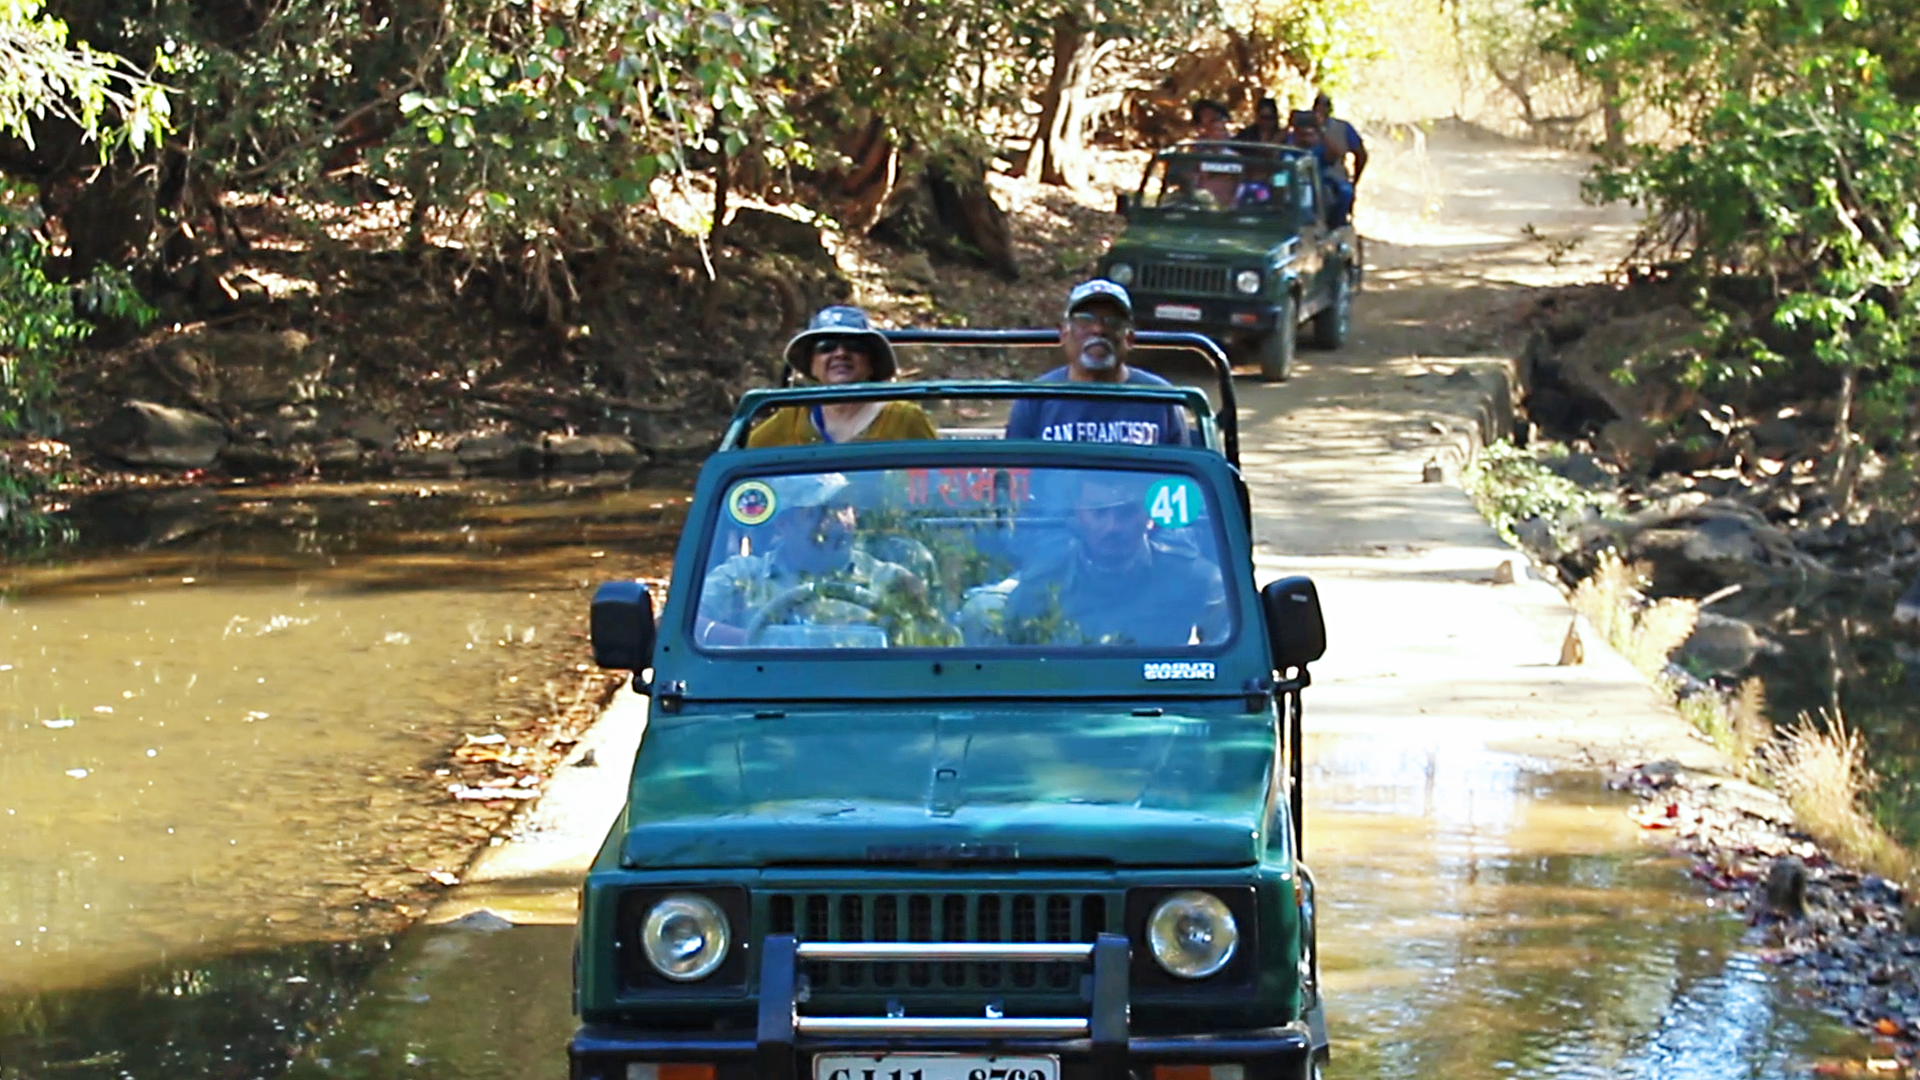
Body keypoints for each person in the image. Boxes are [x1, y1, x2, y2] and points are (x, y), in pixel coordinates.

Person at [696, 473, 952, 647]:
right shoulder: (744, 576)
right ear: (784, 524)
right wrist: (756, 642)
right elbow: (677, 629)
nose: (839, 523)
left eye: (844, 507)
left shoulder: (891, 580)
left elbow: (941, 647)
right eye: (818, 512)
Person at [1002, 471, 1227, 647]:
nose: (1113, 527)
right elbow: (1011, 652)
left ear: (1149, 515)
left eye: (1127, 513)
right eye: (1099, 513)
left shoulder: (1191, 576)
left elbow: (1233, 654)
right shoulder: (1043, 580)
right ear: (1078, 514)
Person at [1004, 280, 1189, 445]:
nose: (1098, 329)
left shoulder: (1162, 399)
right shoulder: (1035, 399)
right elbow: (1015, 476)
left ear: (1130, 338)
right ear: (1063, 333)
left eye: (1112, 322)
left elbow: (1182, 478)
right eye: (1085, 320)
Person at [747, 306, 936, 447]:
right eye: (826, 347)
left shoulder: (904, 418)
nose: (840, 354)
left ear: (871, 363)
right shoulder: (792, 418)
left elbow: (942, 479)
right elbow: (741, 463)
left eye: (855, 347)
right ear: (812, 365)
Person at [1288, 110, 1354, 226]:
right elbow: (1269, 153)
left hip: (1315, 192)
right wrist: (1289, 126)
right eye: (1302, 135)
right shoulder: (1287, 150)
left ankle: (1335, 225)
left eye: (1310, 135)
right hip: (1288, 193)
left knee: (1345, 191)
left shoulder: (1318, 151)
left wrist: (1321, 130)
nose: (1306, 139)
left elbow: (1335, 154)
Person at [1311, 92, 1368, 204]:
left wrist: (1354, 181)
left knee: (1344, 192)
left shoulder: (1342, 128)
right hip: (1301, 176)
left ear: (1330, 109)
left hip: (1333, 177)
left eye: (1325, 105)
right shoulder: (1303, 125)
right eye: (1318, 105)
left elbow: (1361, 154)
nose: (1321, 109)